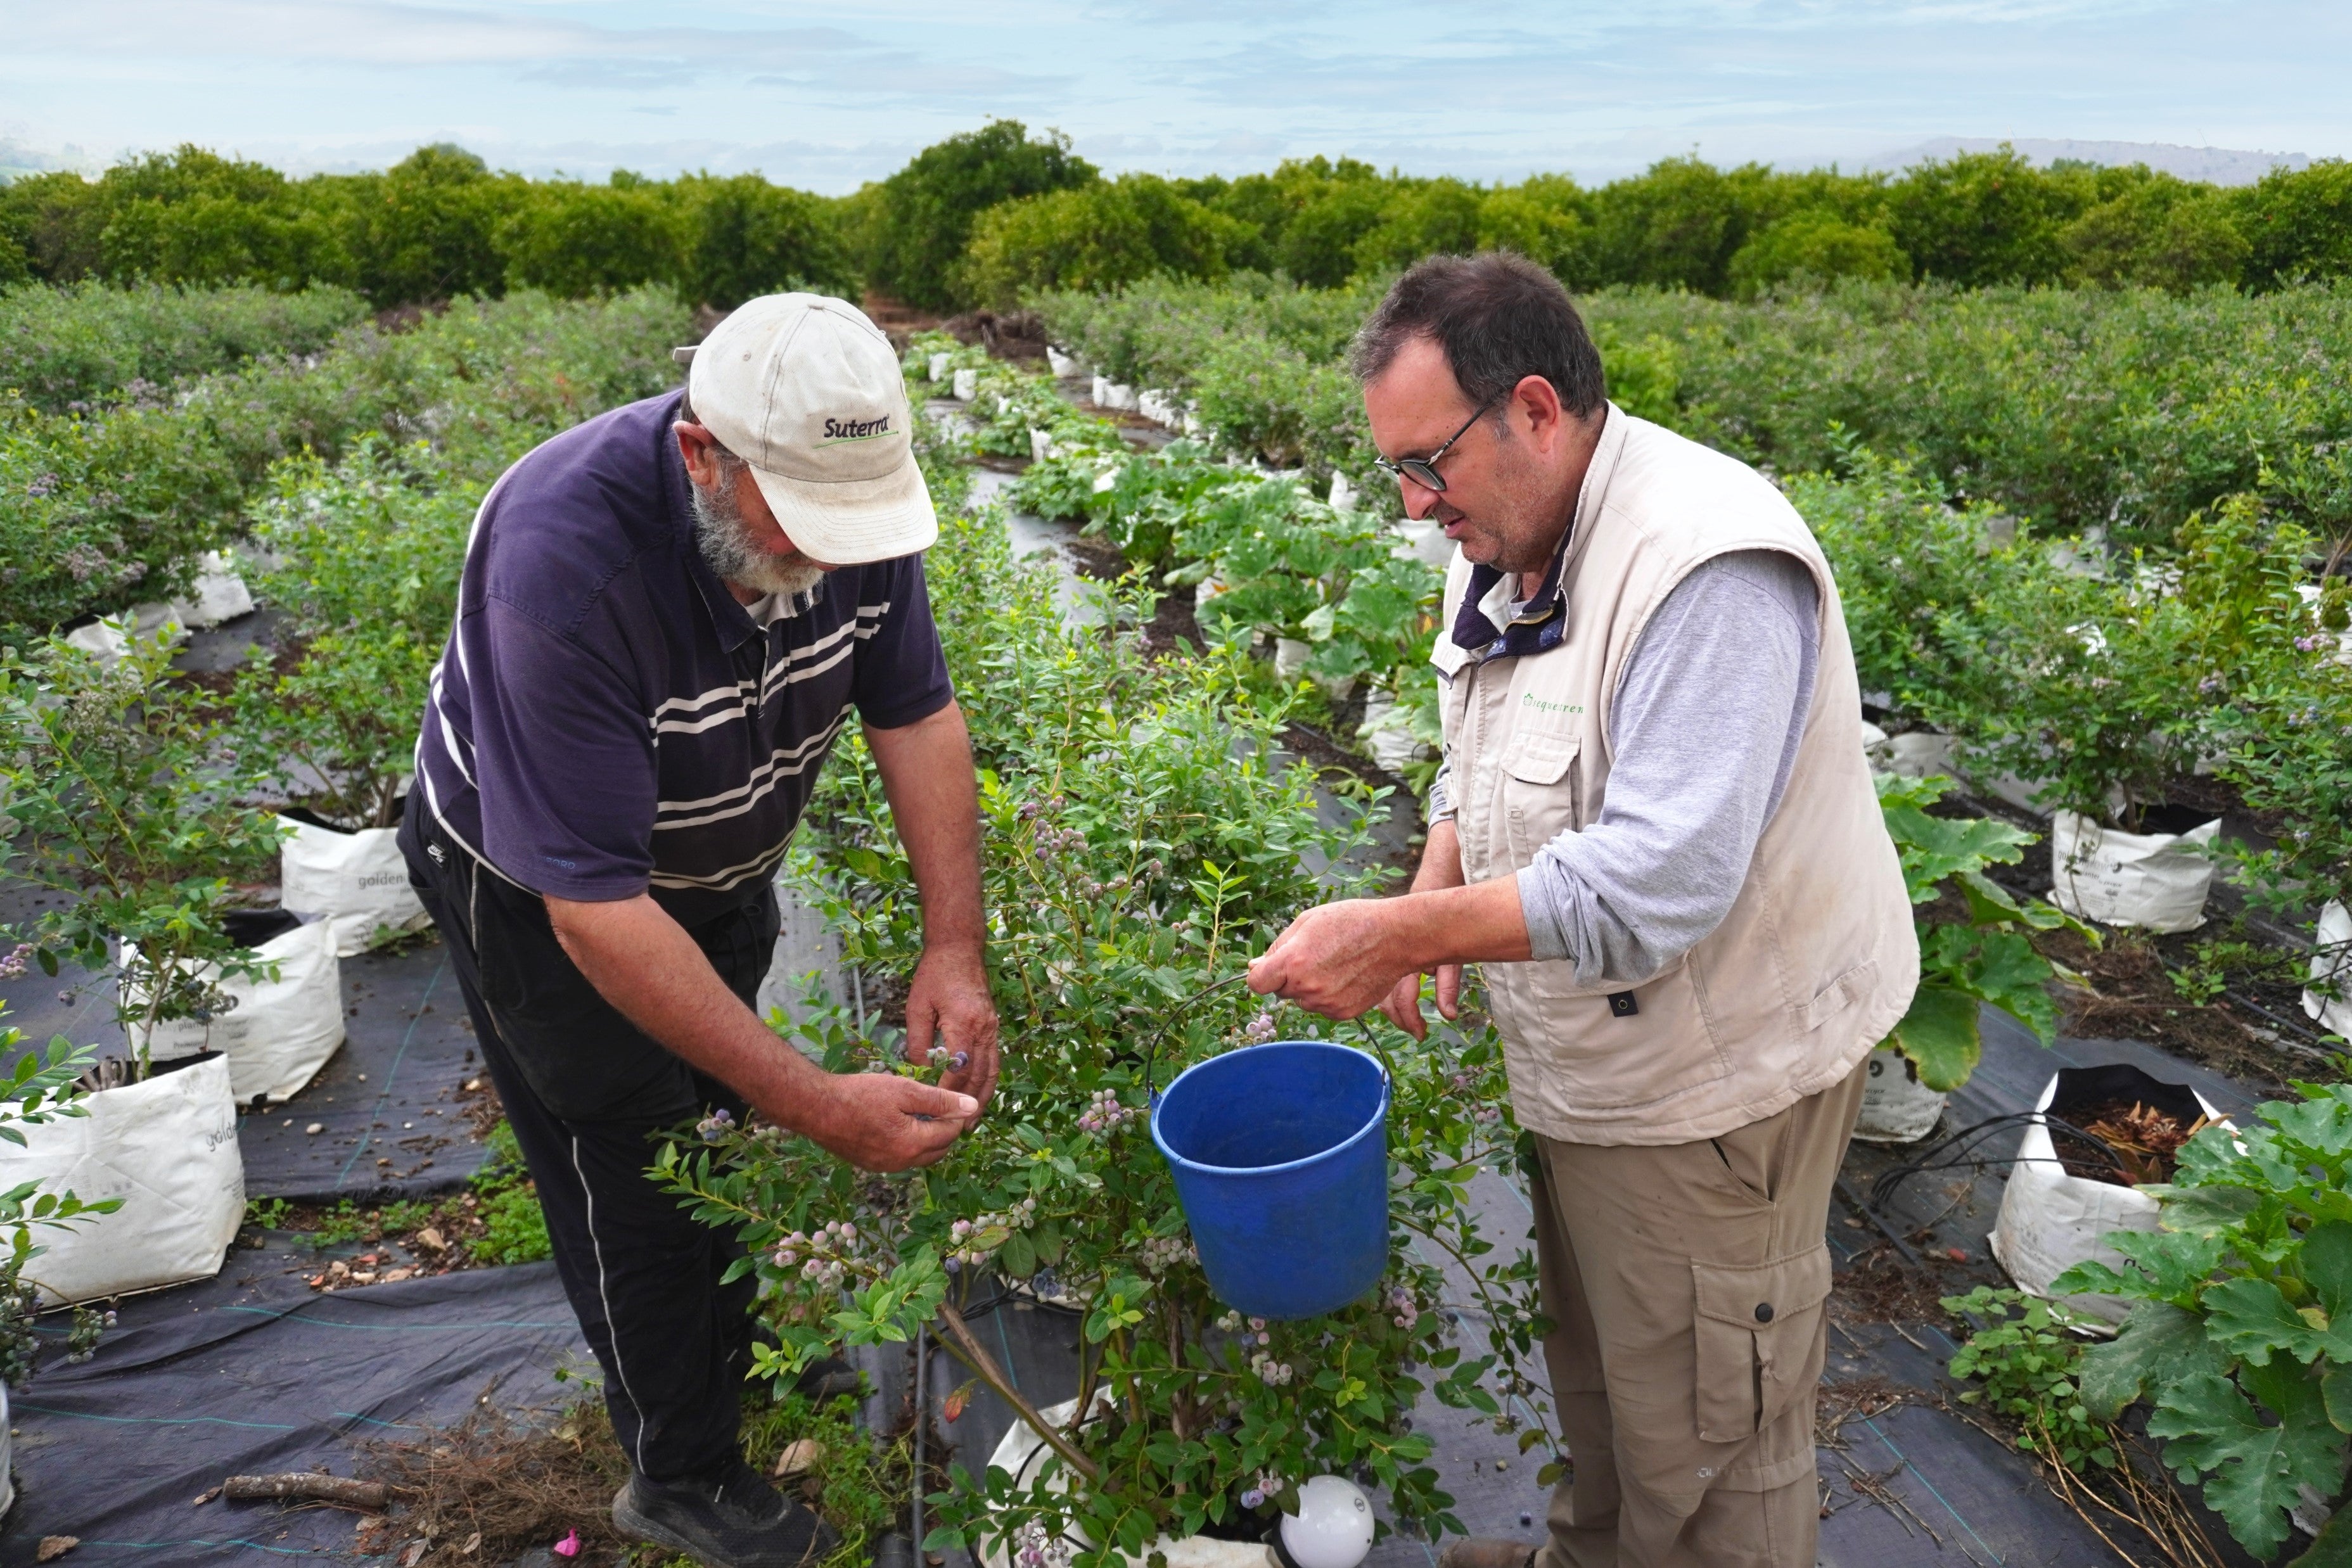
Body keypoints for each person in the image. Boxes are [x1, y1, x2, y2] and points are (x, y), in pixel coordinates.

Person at [1246, 253, 1917, 1568]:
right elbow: (1479, 730)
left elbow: (1657, 879)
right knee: (1609, 1362)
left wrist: (1399, 935)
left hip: (1714, 1087)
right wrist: (1434, 871)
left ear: (1536, 409)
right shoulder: (1503, 529)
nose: (1408, 499)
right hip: (1603, 1062)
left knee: (1716, 1429)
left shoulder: (1706, 566)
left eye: (1426, 463)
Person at [400, 293, 1000, 1568]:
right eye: (806, 524)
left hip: (711, 856)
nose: (838, 555)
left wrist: (953, 947)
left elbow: (917, 715)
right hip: (538, 889)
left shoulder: (847, 505)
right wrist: (814, 1100)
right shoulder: (565, 556)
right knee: (634, 1152)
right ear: (701, 456)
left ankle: (733, 1360)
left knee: (715, 1114)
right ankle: (677, 1469)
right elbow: (598, 912)